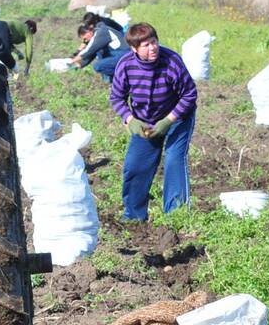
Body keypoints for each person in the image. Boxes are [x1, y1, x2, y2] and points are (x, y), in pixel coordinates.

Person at [109, 23, 198, 222]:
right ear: (134, 49)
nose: (153, 48)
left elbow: (190, 94)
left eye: (154, 42)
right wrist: (130, 120)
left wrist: (168, 121)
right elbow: (116, 97)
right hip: (145, 121)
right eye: (146, 45)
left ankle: (176, 215)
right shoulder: (126, 65)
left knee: (174, 158)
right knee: (135, 165)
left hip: (177, 118)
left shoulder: (171, 61)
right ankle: (134, 215)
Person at [72, 15, 128, 82]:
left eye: (85, 38)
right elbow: (92, 53)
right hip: (118, 53)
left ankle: (126, 78)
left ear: (88, 32)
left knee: (98, 66)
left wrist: (71, 61)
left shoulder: (101, 32)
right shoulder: (98, 32)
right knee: (101, 56)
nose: (85, 41)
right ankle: (116, 79)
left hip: (124, 53)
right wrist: (80, 65)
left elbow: (89, 50)